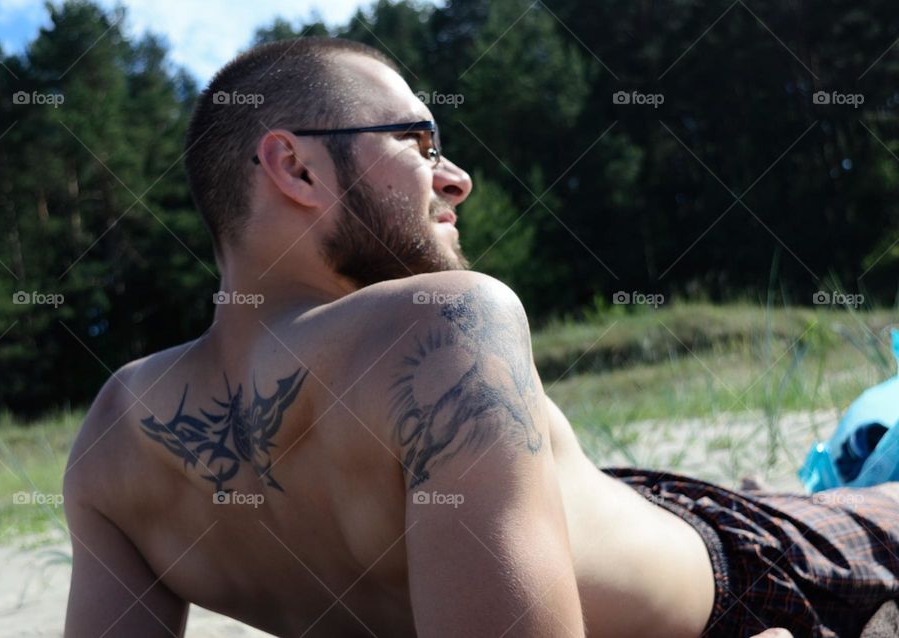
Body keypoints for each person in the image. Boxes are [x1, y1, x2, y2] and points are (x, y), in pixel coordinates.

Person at [62, 37, 899, 638]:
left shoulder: (112, 436)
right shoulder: (444, 319)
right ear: (297, 168)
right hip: (757, 575)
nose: (456, 177)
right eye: (418, 142)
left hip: (656, 520)